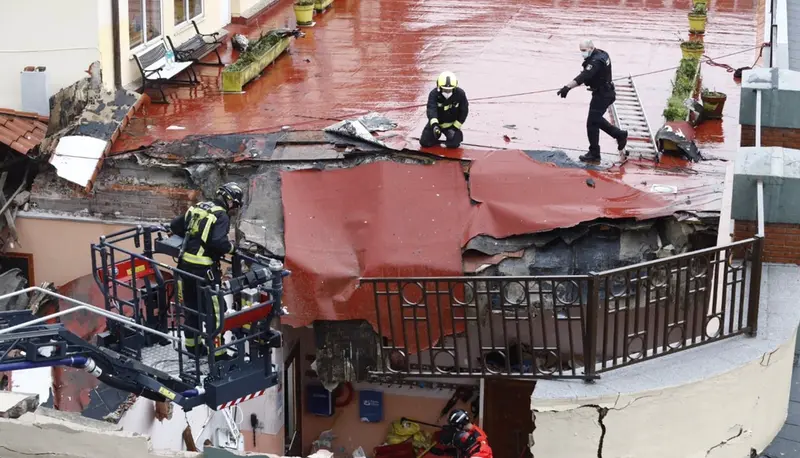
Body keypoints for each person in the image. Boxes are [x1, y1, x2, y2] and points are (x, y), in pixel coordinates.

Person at [169, 182, 244, 359]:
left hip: (185, 268)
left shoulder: (198, 207)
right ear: (229, 200)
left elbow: (175, 225)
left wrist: (193, 240)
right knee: (216, 312)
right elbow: (218, 242)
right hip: (204, 272)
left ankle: (193, 348)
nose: (234, 208)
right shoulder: (221, 215)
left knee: (191, 308)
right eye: (234, 204)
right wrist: (233, 249)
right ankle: (218, 354)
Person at [556, 39, 628, 162]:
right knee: (595, 120)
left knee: (592, 123)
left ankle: (597, 151)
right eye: (581, 51)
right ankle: (616, 137)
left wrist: (567, 87)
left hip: (603, 95)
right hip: (605, 92)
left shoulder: (595, 61)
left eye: (584, 50)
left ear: (591, 48)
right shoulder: (602, 54)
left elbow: (584, 76)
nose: (582, 53)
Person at [420, 71, 469, 149]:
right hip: (436, 124)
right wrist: (435, 126)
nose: (447, 92)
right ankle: (436, 135)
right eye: (445, 90)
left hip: (451, 125)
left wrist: (454, 128)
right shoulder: (434, 94)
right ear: (439, 86)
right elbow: (431, 109)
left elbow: (464, 112)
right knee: (425, 142)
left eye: (449, 90)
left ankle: (452, 136)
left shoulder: (460, 94)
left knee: (454, 145)